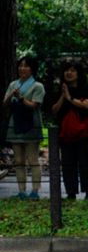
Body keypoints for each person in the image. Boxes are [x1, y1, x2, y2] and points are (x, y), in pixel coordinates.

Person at [45, 64, 88, 202]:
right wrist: (63, 96)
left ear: (78, 73)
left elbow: (87, 105)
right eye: (66, 70)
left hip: (84, 132)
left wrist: (70, 98)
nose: (69, 73)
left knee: (86, 162)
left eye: (73, 70)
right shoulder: (60, 90)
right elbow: (54, 110)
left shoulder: (86, 88)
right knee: (68, 164)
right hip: (66, 133)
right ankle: (71, 192)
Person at [4, 58, 44, 199]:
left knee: (33, 160)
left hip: (31, 125)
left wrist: (21, 98)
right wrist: (10, 95)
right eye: (20, 66)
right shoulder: (13, 84)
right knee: (19, 160)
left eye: (26, 66)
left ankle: (35, 191)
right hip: (15, 125)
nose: (22, 69)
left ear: (32, 69)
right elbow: (5, 104)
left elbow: (34, 105)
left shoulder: (37, 86)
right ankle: (21, 191)